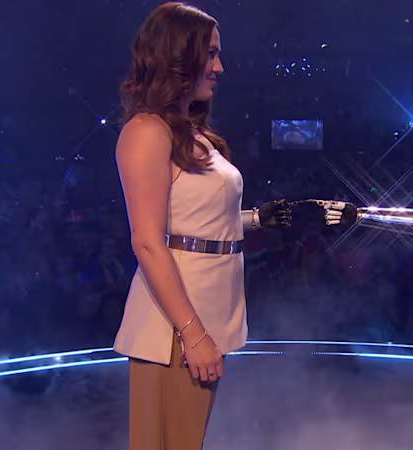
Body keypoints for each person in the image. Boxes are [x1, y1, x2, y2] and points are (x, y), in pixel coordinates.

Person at [112, 3, 289, 449]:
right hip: (174, 324)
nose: (220, 67)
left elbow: (198, 222)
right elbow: (148, 243)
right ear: (178, 56)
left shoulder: (190, 133)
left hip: (203, 315)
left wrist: (258, 219)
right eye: (210, 54)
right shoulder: (146, 131)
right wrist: (193, 334)